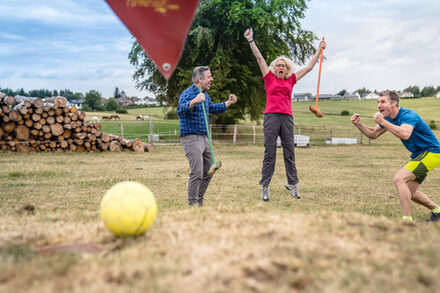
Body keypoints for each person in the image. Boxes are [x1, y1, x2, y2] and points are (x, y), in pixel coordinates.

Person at [244, 28, 326, 202]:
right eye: (278, 65)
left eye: (283, 65)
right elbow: (259, 58)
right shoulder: (268, 77)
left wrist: (319, 49)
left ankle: (292, 183)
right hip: (271, 116)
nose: (280, 67)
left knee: (289, 151)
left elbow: (310, 67)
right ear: (274, 68)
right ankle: (265, 187)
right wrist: (251, 40)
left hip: (287, 117)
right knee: (270, 152)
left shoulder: (291, 80)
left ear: (287, 68)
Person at [351, 90, 440, 221]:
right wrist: (358, 124)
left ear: (394, 104)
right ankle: (437, 211)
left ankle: (407, 221)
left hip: (432, 153)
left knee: (399, 179)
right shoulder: (388, 119)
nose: (379, 105)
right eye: (378, 102)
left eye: (383, 102)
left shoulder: (408, 115)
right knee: (409, 192)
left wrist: (384, 122)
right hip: (420, 155)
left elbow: (405, 133)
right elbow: (373, 134)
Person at [177, 66, 237, 206]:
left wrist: (229, 102)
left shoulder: (205, 94)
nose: (212, 79)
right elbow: (180, 110)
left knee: (209, 172)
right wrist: (194, 101)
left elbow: (213, 108)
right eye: (209, 77)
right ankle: (192, 204)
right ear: (200, 79)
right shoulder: (188, 93)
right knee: (197, 173)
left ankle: (199, 200)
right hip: (191, 138)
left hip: (205, 138)